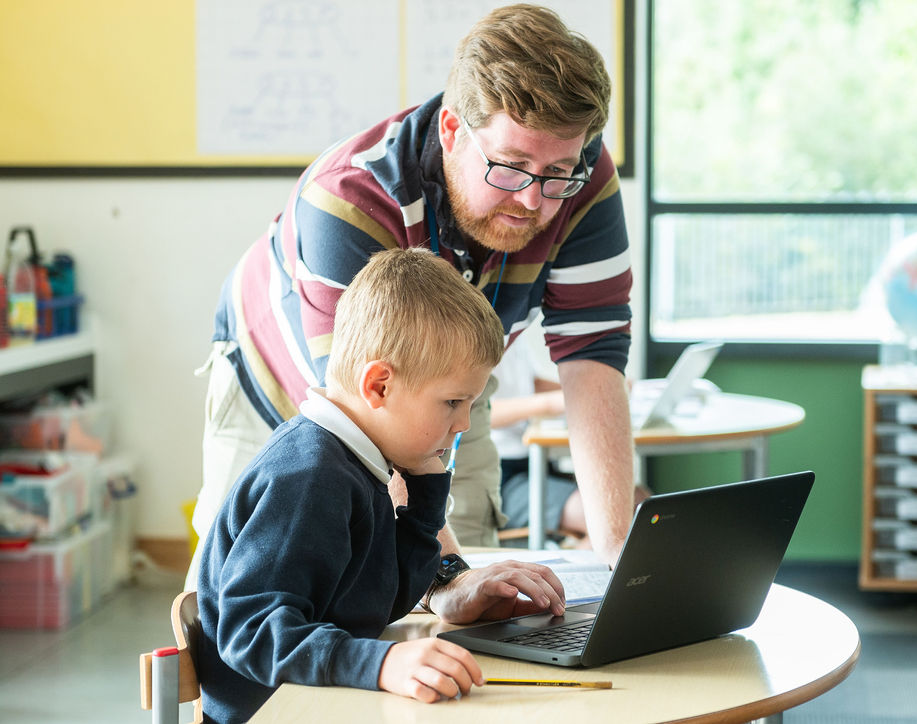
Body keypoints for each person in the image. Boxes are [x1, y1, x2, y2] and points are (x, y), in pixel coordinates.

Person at [187, 3, 636, 607]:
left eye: (556, 172)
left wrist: (621, 566)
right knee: (259, 599)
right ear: (453, 131)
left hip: (448, 381)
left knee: (481, 602)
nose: (535, 200)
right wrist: (446, 573)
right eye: (511, 168)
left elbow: (593, 349)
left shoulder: (577, 174)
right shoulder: (348, 201)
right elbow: (366, 415)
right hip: (292, 387)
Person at [196, 249, 565, 723]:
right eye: (453, 402)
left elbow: (380, 598)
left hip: (323, 701)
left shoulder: (358, 461)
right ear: (379, 387)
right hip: (276, 712)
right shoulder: (309, 476)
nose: (464, 423)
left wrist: (426, 491)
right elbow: (252, 633)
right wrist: (381, 662)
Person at [491, 338, 651, 547]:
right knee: (621, 518)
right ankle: (587, 576)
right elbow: (480, 410)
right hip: (502, 478)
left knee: (641, 503)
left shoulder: (516, 334)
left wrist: (602, 391)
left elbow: (534, 384)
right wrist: (558, 401)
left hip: (535, 465)